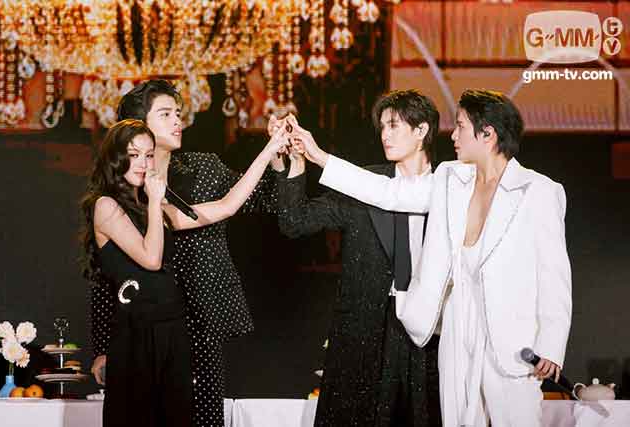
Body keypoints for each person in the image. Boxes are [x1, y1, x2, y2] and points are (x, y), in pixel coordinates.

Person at [290, 89, 572, 427]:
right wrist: (319, 156)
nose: (452, 135)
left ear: (487, 134)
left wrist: (551, 344)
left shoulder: (539, 191)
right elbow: (387, 192)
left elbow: (554, 275)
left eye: (461, 127)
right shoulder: (451, 179)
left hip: (511, 343)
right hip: (456, 336)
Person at [88, 80, 286, 426]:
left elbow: (228, 205)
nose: (178, 121)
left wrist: (271, 151)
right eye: (134, 155)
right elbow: (137, 265)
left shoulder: (175, 192)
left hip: (182, 327)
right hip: (136, 332)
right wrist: (155, 200)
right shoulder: (109, 206)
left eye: (147, 156)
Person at [277, 90, 442, 426]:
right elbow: (295, 222)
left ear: (421, 130)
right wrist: (296, 163)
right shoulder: (363, 182)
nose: (384, 135)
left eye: (394, 125)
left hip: (428, 333)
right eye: (382, 127)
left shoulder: (450, 188)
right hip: (362, 330)